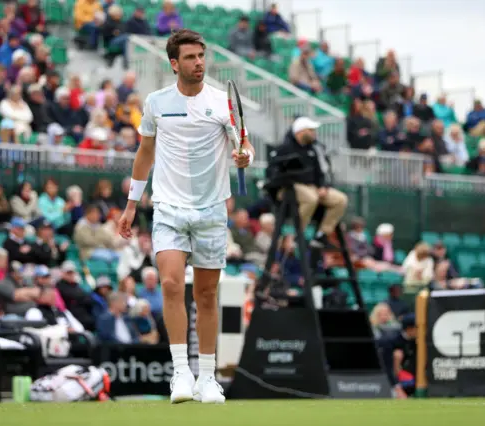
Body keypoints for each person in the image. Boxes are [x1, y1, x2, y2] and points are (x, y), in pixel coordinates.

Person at [117, 29, 254, 405]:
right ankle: (181, 372)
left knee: (207, 294)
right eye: (191, 57)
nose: (199, 63)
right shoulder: (157, 102)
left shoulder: (221, 102)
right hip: (168, 208)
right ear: (174, 63)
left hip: (212, 210)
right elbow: (145, 153)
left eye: (202, 56)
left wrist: (246, 158)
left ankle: (207, 378)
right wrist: (132, 204)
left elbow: (244, 146)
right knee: (172, 286)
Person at [266, 117, 348, 248]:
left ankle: (321, 234)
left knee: (341, 199)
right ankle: (297, 234)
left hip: (312, 187)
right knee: (311, 198)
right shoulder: (285, 148)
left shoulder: (313, 149)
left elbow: (319, 172)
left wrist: (323, 186)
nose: (314, 133)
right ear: (300, 132)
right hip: (290, 187)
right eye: (310, 130)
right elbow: (272, 172)